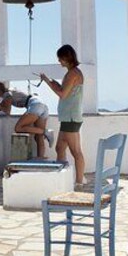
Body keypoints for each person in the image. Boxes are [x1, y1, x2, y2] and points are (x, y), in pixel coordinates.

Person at [40, 44, 85, 187]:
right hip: (68, 118)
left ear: (66, 58)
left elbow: (62, 94)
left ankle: (79, 181)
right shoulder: (71, 72)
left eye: (60, 59)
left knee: (75, 151)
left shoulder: (73, 74)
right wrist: (51, 82)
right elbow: (64, 91)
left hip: (71, 118)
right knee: (60, 148)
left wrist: (48, 83)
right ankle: (63, 179)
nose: (59, 61)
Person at [0, 81, 54, 158]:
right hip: (41, 105)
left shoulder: (7, 94)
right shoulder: (8, 94)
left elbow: (7, 111)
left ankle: (46, 132)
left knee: (18, 128)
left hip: (35, 105)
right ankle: (41, 158)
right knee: (38, 136)